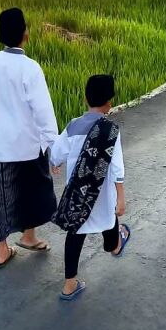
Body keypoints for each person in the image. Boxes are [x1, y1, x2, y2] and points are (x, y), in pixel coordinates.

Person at [0, 7, 58, 268]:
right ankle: (29, 236)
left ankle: (2, 250)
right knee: (33, 192)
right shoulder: (30, 68)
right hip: (28, 146)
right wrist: (54, 147)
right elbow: (44, 112)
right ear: (26, 34)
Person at [50, 74, 130, 301]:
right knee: (108, 219)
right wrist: (121, 198)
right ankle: (114, 246)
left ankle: (69, 285)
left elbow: (57, 152)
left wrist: (54, 163)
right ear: (110, 102)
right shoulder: (111, 130)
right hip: (102, 195)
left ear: (86, 98)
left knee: (75, 234)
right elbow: (116, 167)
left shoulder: (73, 126)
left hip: (78, 196)